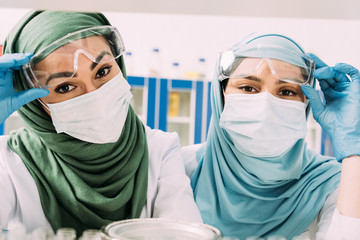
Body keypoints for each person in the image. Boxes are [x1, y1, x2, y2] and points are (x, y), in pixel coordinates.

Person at [0, 10, 202, 236]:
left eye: (103, 71)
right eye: (65, 87)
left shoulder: (160, 150)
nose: (94, 96)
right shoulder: (8, 161)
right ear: (36, 104)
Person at [181, 33, 360, 239]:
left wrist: (354, 153)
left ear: (306, 104)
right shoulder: (181, 168)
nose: (265, 105)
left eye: (286, 92)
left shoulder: (329, 183)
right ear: (220, 96)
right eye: (248, 88)